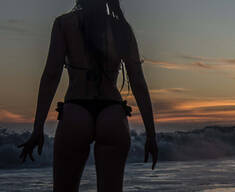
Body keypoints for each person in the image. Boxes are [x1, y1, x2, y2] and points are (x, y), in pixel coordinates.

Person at [17, 0, 158, 191]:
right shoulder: (121, 28)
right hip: (113, 114)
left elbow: (51, 75)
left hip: (76, 112)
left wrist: (38, 128)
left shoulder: (64, 24)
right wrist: (151, 134)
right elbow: (138, 83)